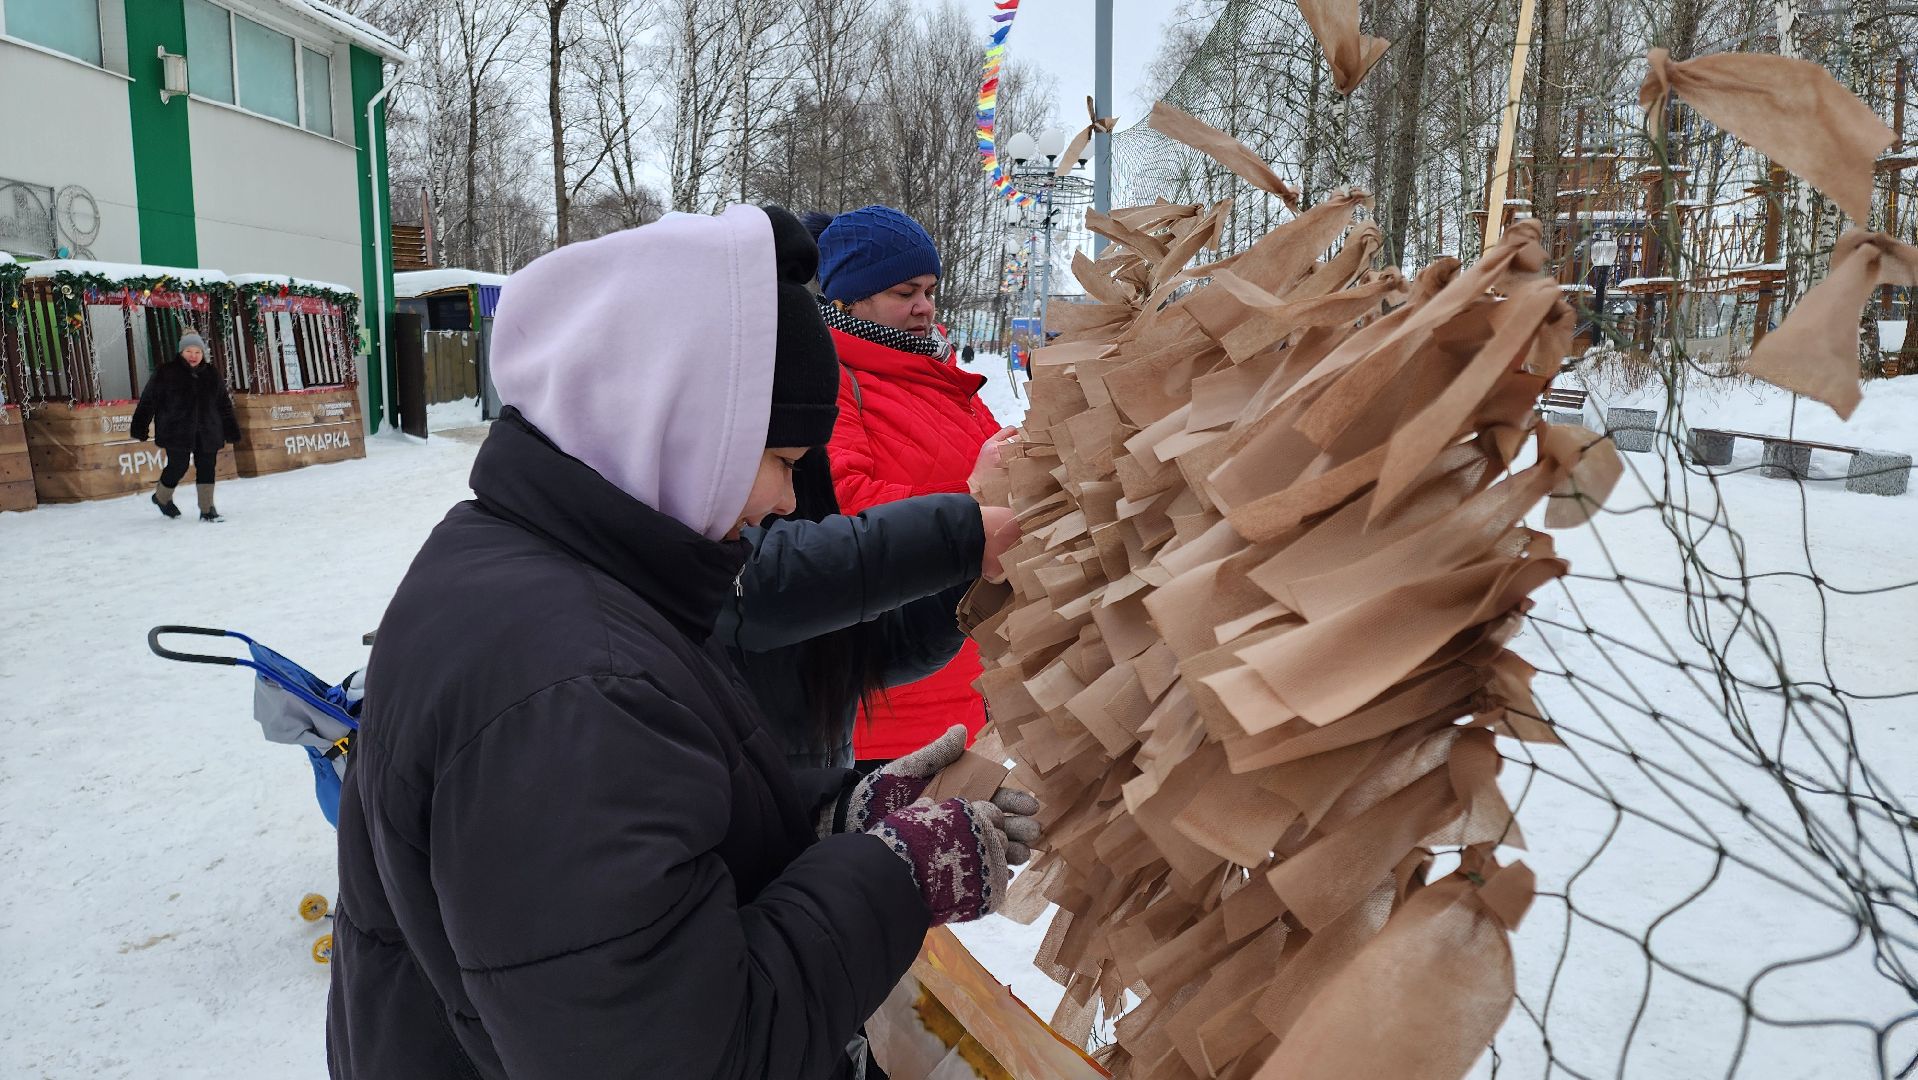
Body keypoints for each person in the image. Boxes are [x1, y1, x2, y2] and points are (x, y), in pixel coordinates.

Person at [326, 205, 1039, 1080]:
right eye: (781, 462)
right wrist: (895, 877)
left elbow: (654, 847)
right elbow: (685, 1048)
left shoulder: (556, 560)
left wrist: (831, 818)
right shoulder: (574, 684)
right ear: (684, 428)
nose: (787, 503)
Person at [807, 205, 1011, 768]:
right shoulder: (829, 379)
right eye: (904, 292)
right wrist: (974, 500)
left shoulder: (940, 376)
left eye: (930, 290)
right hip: (888, 699)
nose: (925, 306)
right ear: (849, 299)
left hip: (962, 670)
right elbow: (840, 507)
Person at [719, 455, 1022, 770]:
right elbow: (758, 584)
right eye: (785, 462)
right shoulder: (704, 543)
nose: (789, 501)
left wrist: (965, 584)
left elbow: (867, 645)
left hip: (819, 775)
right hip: (758, 783)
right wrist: (965, 530)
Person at [130, 330, 238, 521]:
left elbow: (224, 404)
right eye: (189, 351)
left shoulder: (211, 374)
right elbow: (148, 400)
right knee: (178, 465)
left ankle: (207, 509)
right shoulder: (166, 372)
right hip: (176, 430)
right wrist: (140, 426)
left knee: (207, 466)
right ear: (181, 352)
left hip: (208, 430)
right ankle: (162, 497)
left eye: (197, 352)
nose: (193, 356)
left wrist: (231, 429)